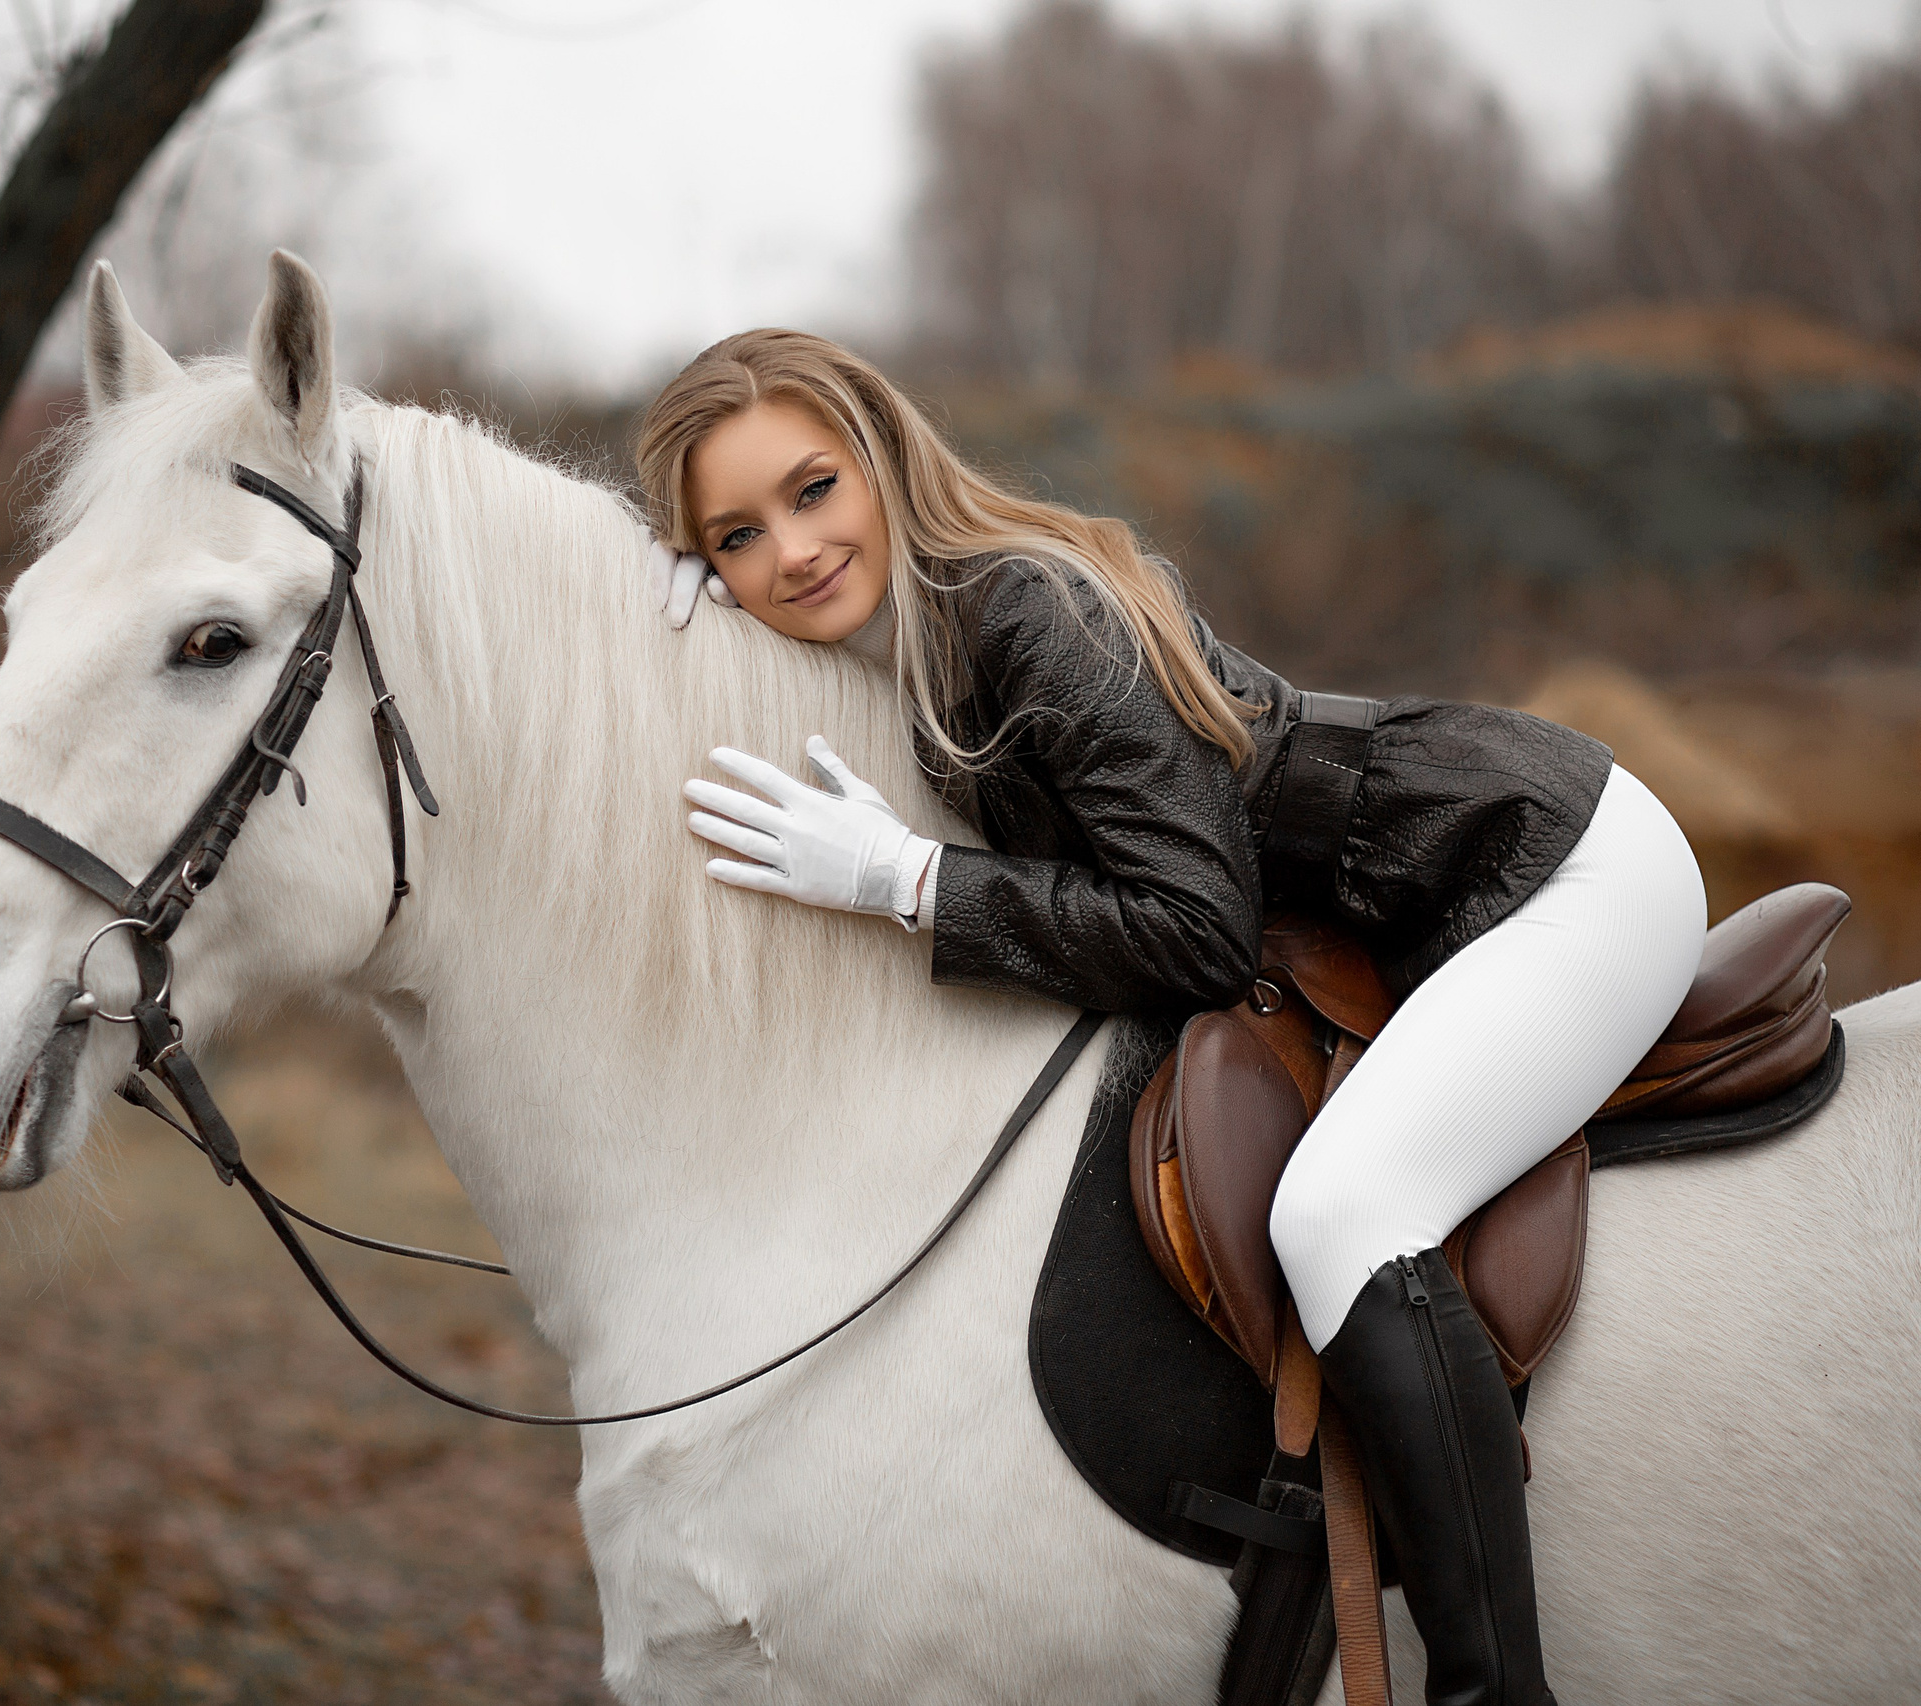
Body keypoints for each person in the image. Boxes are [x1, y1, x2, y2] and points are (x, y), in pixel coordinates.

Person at [636, 329, 1706, 1706]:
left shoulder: (1025, 609)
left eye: (812, 488)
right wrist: (651, 577)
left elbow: (1196, 932)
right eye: (735, 536)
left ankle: (1498, 1693)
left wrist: (910, 884)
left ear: (885, 462)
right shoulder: (906, 635)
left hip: (1542, 865)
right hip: (1414, 907)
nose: (790, 548)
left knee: (1341, 1210)